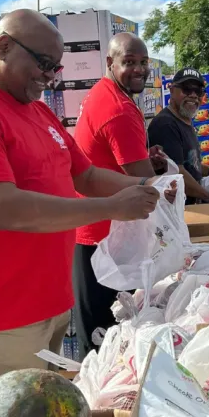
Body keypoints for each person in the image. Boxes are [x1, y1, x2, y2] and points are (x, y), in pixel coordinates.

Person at [0, 9, 175, 401]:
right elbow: (2, 208)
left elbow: (86, 176)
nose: (50, 76)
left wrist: (151, 186)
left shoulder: (38, 110)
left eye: (56, 68)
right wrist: (112, 207)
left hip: (47, 305)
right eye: (43, 63)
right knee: (10, 415)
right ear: (4, 46)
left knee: (43, 409)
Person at [71, 32, 168, 358]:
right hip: (107, 238)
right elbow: (142, 180)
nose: (139, 69)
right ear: (110, 63)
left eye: (143, 63)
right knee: (111, 339)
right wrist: (167, 182)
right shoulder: (119, 110)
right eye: (129, 62)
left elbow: (118, 160)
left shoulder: (102, 93)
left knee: (100, 335)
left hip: (95, 229)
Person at [148, 67, 209, 204]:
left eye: (198, 91)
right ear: (171, 90)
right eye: (187, 89)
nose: (194, 95)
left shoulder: (185, 121)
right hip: (177, 211)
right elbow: (176, 174)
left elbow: (190, 163)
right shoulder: (166, 125)